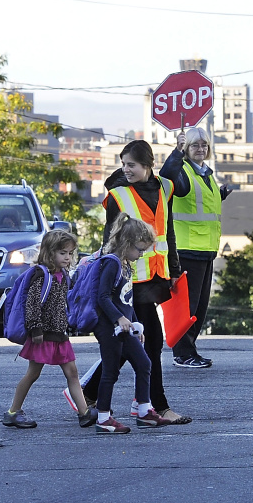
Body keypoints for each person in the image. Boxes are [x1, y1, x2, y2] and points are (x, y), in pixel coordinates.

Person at [82, 139, 192, 425]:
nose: (125, 169)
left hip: (156, 276)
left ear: (147, 165)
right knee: (151, 341)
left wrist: (175, 269)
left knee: (134, 344)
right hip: (129, 282)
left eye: (131, 165)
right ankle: (156, 406)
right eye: (123, 164)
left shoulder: (164, 188)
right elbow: (109, 242)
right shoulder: (118, 194)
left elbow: (168, 233)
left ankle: (93, 393)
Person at [2, 230, 98, 430]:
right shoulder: (41, 274)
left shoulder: (62, 275)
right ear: (49, 252)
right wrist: (35, 329)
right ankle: (13, 412)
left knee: (72, 372)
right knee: (32, 374)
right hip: (43, 336)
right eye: (63, 253)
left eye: (70, 253)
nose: (68, 257)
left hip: (59, 335)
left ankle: (84, 413)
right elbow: (33, 304)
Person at [159, 127, 232, 369]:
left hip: (206, 250)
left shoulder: (207, 175)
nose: (200, 149)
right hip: (187, 249)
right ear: (187, 149)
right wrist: (176, 151)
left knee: (199, 307)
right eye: (194, 146)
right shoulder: (183, 171)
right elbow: (167, 176)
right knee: (187, 307)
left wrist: (219, 195)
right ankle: (182, 353)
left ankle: (190, 350)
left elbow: (200, 206)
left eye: (204, 145)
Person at [91, 213, 171, 433]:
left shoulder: (127, 265)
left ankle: (144, 412)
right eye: (139, 249)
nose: (141, 254)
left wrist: (136, 324)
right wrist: (119, 318)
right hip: (109, 327)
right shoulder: (112, 264)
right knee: (110, 372)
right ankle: (103, 418)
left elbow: (127, 299)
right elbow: (103, 297)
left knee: (144, 364)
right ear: (126, 243)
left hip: (124, 327)